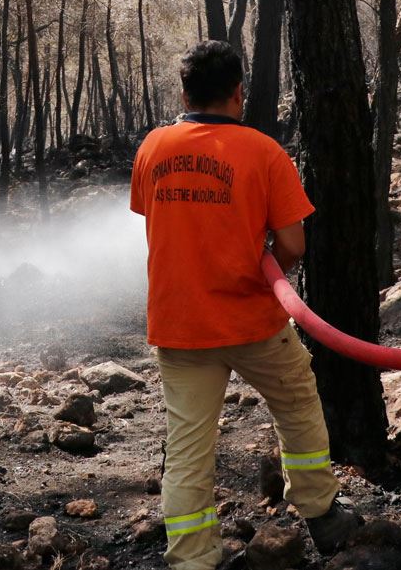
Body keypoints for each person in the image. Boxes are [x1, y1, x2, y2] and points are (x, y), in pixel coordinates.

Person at [129, 40, 358, 570]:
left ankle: (191, 560)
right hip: (254, 321)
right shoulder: (264, 152)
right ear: (238, 93)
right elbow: (294, 245)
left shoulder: (153, 148)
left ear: (183, 91)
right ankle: (321, 514)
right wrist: (267, 260)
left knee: (187, 445)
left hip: (179, 324)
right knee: (298, 403)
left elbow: (155, 218)